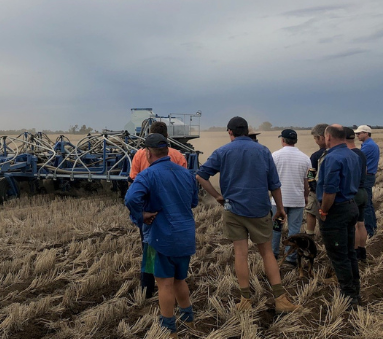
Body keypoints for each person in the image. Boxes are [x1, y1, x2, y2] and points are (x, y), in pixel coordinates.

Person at [196, 116, 299, 313]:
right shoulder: (262, 151)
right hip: (259, 209)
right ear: (247, 132)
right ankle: (280, 299)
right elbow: (274, 184)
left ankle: (245, 300)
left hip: (233, 210)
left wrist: (218, 196)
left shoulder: (222, 151)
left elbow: (200, 175)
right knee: (267, 253)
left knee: (240, 254)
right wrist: (280, 208)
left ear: (230, 132)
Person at [125, 134, 198, 337]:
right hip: (185, 236)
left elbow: (130, 197)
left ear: (148, 153)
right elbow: (194, 202)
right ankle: (188, 319)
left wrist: (141, 215)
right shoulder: (186, 173)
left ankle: (169, 329)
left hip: (161, 237)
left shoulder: (148, 175)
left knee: (164, 283)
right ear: (167, 151)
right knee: (180, 280)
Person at [128, 122, 188, 300]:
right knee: (173, 250)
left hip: (150, 213)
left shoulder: (139, 155)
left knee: (150, 248)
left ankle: (147, 290)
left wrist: (139, 214)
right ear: (167, 136)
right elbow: (186, 184)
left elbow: (132, 182)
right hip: (175, 211)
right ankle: (177, 289)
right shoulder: (178, 156)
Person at [317, 124, 361, 306]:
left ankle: (348, 297)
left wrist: (324, 211)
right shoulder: (353, 154)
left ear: (328, 137)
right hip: (351, 206)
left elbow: (330, 191)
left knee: (339, 254)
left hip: (336, 210)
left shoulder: (332, 158)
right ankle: (355, 290)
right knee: (350, 252)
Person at [271, 129, 311, 266]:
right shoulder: (306, 158)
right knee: (294, 230)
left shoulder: (275, 156)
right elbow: (307, 181)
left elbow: (270, 179)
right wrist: (306, 196)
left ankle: (273, 254)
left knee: (276, 228)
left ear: (282, 140)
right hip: (297, 200)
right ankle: (291, 258)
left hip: (278, 202)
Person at [344, 127, 369, 262]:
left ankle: (353, 255)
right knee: (361, 223)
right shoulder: (361, 153)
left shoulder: (348, 155)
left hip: (352, 193)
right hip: (363, 191)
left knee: (352, 226)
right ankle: (362, 253)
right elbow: (365, 171)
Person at [355, 124, 379, 237]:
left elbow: (357, 159)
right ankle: (373, 227)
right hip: (369, 176)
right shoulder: (369, 144)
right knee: (368, 203)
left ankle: (369, 230)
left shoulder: (368, 146)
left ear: (366, 133)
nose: (357, 135)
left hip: (366, 177)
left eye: (359, 133)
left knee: (366, 204)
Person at [305, 123, 328, 236]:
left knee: (311, 212)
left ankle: (309, 235)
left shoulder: (316, 156)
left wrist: (313, 186)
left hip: (317, 190)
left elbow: (310, 174)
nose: (315, 141)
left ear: (322, 137)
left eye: (315, 138)